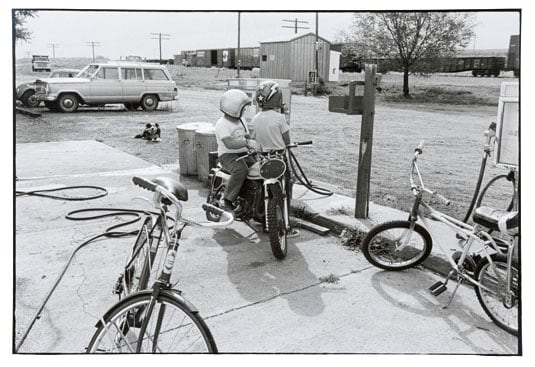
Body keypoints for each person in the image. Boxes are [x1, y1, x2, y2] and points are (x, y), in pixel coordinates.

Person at [252, 80, 298, 237]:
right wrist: (289, 144)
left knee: (266, 188)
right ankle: (287, 223)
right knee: (286, 188)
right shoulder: (279, 118)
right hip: (279, 158)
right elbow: (286, 139)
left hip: (264, 159)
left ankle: (266, 221)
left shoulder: (256, 118)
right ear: (277, 98)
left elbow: (255, 138)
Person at [215, 89, 258, 212]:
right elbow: (229, 143)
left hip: (243, 153)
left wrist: (255, 145)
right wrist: (247, 143)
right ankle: (227, 200)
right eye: (243, 108)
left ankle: (248, 198)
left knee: (258, 167)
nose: (245, 111)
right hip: (227, 156)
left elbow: (247, 136)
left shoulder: (241, 120)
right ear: (234, 108)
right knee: (241, 170)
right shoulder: (222, 124)